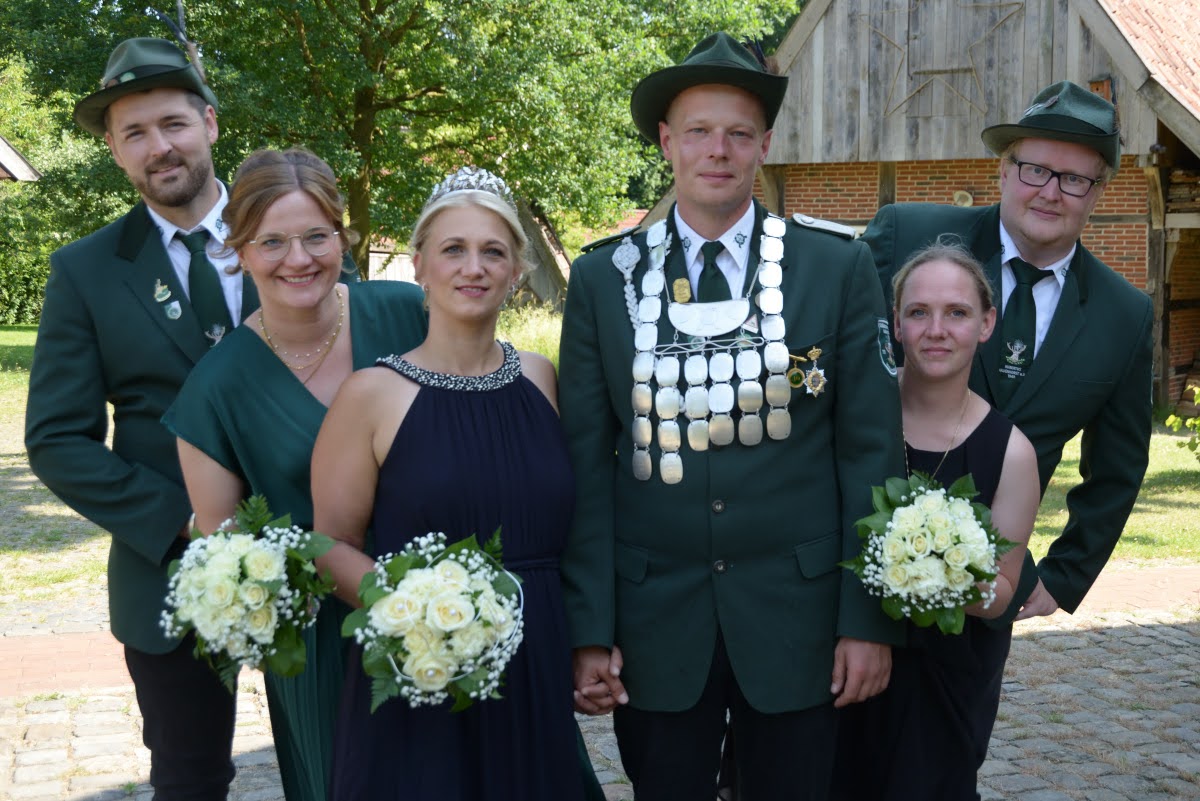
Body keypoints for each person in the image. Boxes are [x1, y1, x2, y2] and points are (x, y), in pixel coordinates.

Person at [558, 32, 906, 800]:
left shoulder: (836, 266)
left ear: (765, 146)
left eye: (739, 133)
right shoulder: (601, 278)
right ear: (666, 142)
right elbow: (586, 462)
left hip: (800, 618)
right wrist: (589, 629)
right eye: (699, 131)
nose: (718, 150)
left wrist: (867, 620)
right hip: (656, 621)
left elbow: (871, 453)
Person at [310, 166, 591, 801]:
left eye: (493, 251)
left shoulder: (543, 380)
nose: (474, 267)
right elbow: (328, 544)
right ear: (419, 267)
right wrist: (423, 619)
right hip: (424, 668)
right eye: (453, 250)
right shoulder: (373, 395)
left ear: (516, 272)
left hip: (534, 659)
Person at [162, 148, 426, 801]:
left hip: (448, 603)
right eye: (272, 241)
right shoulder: (214, 389)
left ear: (342, 236)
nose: (299, 258)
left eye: (316, 235)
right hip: (325, 653)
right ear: (240, 250)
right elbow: (224, 550)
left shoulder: (408, 312)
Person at [25, 37, 249, 800]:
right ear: (117, 155)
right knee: (190, 778)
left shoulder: (293, 232)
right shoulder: (85, 271)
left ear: (211, 124)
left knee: (348, 760)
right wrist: (188, 520)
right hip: (170, 574)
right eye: (135, 134)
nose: (160, 147)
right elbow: (56, 438)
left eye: (174, 123)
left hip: (325, 548)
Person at [862, 81, 1153, 624]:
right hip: (861, 565)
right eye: (1034, 169)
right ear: (1003, 170)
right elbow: (840, 372)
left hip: (989, 596)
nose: (1050, 192)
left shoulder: (1124, 315)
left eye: (1074, 179)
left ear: (1098, 192)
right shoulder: (905, 237)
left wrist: (1065, 575)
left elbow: (1118, 466)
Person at [833, 243, 1040, 800]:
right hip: (835, 664)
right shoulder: (849, 416)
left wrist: (935, 571)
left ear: (987, 323)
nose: (937, 330)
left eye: (957, 313)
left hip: (941, 681)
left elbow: (1001, 592)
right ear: (895, 324)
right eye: (918, 312)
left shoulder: (1011, 454)